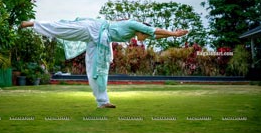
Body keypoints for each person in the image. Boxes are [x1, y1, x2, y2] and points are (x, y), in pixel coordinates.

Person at [20, 18, 188, 108]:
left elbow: (155, 35)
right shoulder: (134, 24)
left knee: (98, 69)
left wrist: (173, 35)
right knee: (64, 30)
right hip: (93, 28)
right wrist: (174, 34)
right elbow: (155, 31)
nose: (146, 38)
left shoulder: (134, 32)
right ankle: (33, 23)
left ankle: (103, 101)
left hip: (100, 40)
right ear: (142, 29)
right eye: (146, 34)